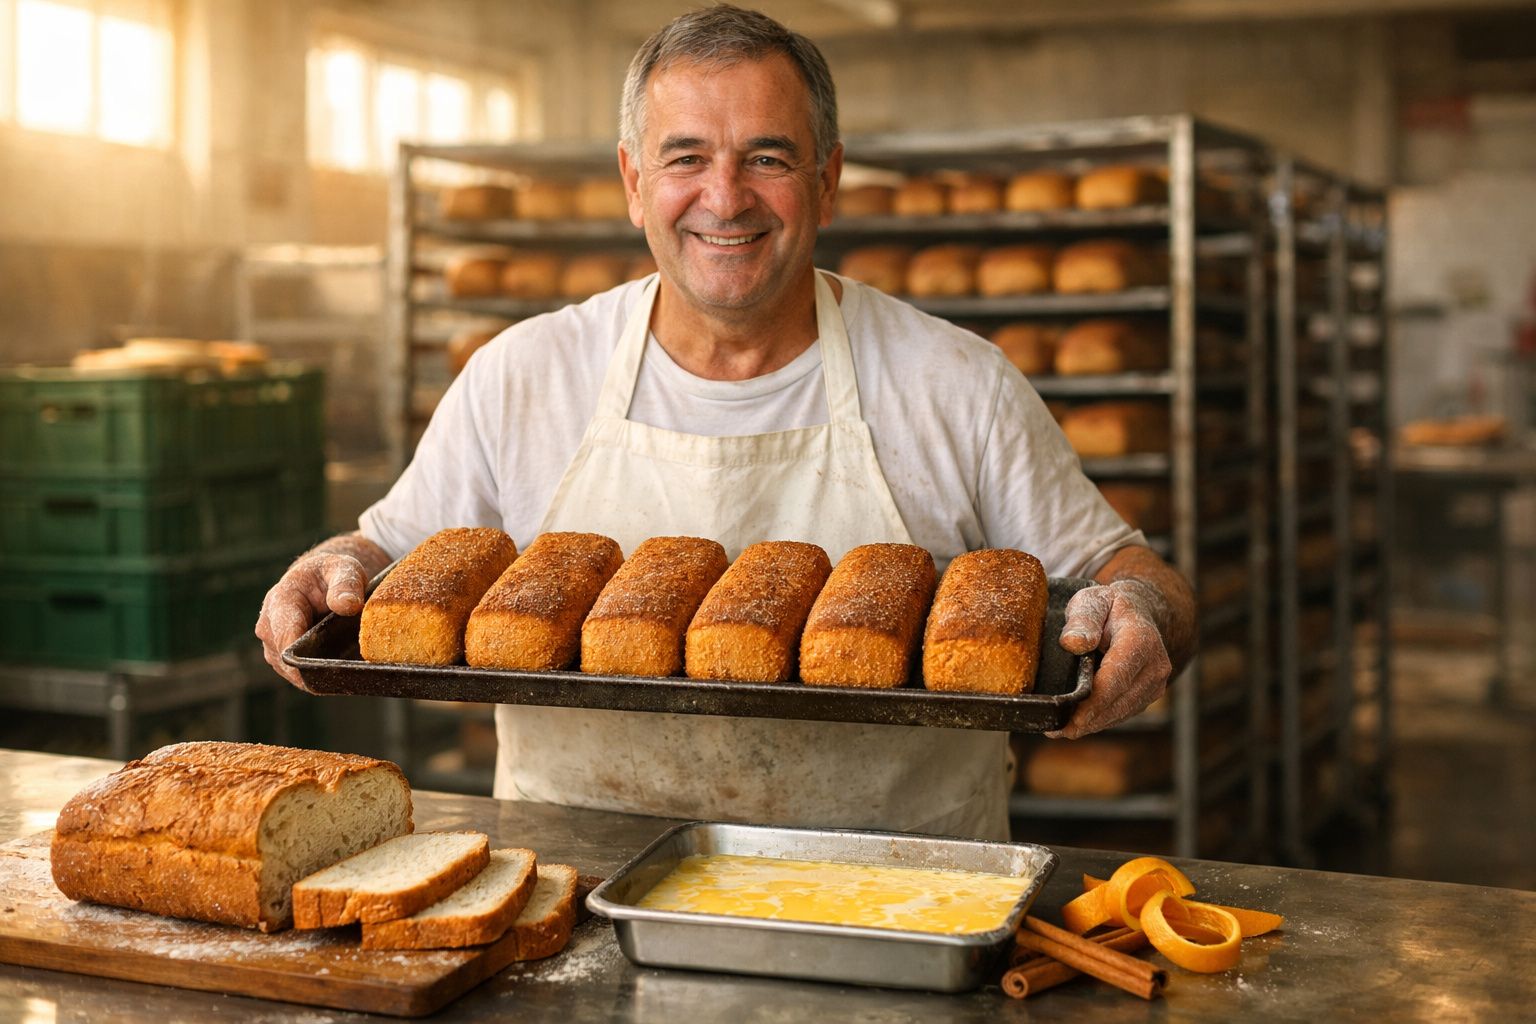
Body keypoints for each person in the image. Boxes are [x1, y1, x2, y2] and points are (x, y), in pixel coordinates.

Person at [257, 4, 1195, 841]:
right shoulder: (522, 375)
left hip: (897, 895)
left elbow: (1132, 577)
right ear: (634, 181)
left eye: (768, 158)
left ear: (827, 181)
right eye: (686, 158)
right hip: (579, 884)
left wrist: (1143, 614)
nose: (726, 196)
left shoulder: (956, 383)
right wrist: (325, 569)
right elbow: (384, 557)